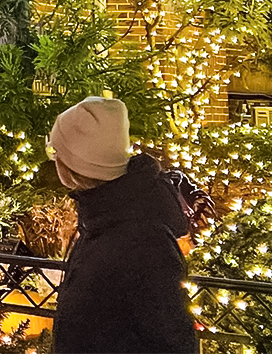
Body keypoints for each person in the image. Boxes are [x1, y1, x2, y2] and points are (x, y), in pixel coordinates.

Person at [47, 96, 198, 354]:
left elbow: (172, 342)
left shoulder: (143, 240)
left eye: (55, 152)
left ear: (73, 165)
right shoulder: (101, 219)